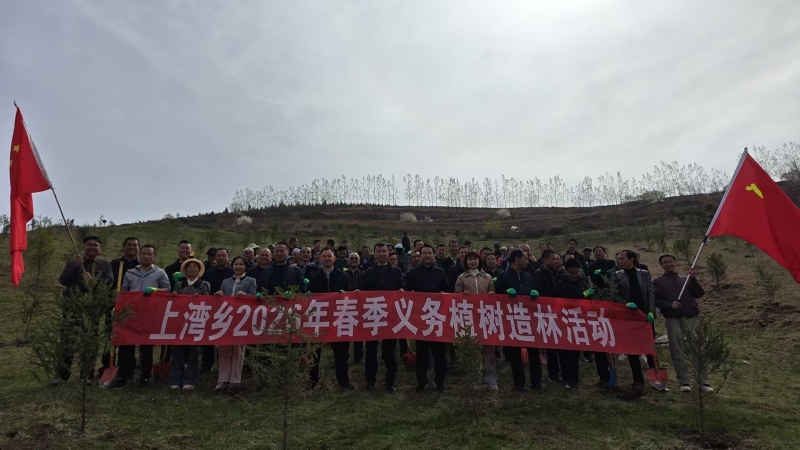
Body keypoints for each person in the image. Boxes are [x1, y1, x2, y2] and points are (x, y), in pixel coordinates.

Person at [56, 235, 114, 385]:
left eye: (96, 245)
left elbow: (109, 281)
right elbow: (63, 280)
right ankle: (61, 376)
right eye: (89, 245)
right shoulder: (73, 263)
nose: (92, 247)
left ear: (100, 248)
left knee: (89, 343)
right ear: (83, 247)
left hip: (92, 309)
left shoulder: (105, 265)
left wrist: (93, 280)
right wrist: (76, 267)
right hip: (72, 308)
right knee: (67, 342)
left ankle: (87, 375)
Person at [653, 253, 714, 393]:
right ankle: (684, 381)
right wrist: (669, 305)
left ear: (676, 263)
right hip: (672, 317)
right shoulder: (657, 282)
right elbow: (656, 300)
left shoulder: (685, 279)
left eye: (670, 261)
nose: (668, 264)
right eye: (665, 262)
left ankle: (704, 382)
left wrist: (693, 279)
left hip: (690, 316)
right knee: (677, 349)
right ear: (661, 266)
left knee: (696, 348)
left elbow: (698, 293)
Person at [118, 245, 171, 388]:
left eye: (150, 254)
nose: (146, 256)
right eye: (144, 254)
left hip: (150, 314)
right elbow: (123, 292)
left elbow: (167, 290)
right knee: (126, 343)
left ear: (154, 257)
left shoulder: (160, 273)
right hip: (131, 313)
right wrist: (118, 308)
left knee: (147, 345)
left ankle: (145, 376)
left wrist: (155, 290)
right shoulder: (130, 273)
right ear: (140, 255)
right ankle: (124, 375)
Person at [359, 243, 405, 392]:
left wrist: (402, 290)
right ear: (375, 253)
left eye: (384, 251)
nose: (382, 254)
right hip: (373, 316)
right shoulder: (368, 273)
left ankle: (390, 382)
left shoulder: (396, 271)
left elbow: (401, 287)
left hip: (391, 316)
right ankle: (370, 381)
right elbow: (362, 293)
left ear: (388, 253)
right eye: (379, 251)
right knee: (371, 351)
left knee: (390, 351)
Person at [494, 250, 542, 391]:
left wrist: (535, 294)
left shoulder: (528, 276)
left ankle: (536, 383)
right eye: (525, 258)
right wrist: (505, 292)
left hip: (528, 318)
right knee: (515, 354)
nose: (527, 261)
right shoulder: (503, 276)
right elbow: (496, 296)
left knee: (534, 352)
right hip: (512, 319)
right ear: (517, 258)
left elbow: (533, 290)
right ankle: (519, 383)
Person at [610, 249, 657, 394]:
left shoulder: (644, 273)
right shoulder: (617, 275)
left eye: (622, 258)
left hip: (644, 316)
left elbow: (651, 292)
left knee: (649, 347)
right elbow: (614, 294)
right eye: (619, 259)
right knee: (631, 349)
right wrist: (625, 304)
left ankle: (655, 377)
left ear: (632, 259)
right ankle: (638, 380)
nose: (620, 261)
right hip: (628, 316)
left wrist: (651, 311)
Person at [404, 245, 449, 393]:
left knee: (439, 353)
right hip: (420, 317)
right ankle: (421, 382)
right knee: (422, 353)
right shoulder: (412, 273)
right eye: (424, 253)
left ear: (434, 255)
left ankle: (439, 381)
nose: (427, 255)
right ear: (420, 256)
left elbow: (447, 290)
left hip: (437, 316)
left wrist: (443, 294)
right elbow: (406, 292)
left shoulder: (440, 272)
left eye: (430, 253)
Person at [307, 248, 351, 388]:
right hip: (319, 319)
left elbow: (349, 294)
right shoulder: (314, 277)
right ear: (320, 259)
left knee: (341, 353)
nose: (327, 258)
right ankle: (312, 381)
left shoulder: (343, 276)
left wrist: (345, 294)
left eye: (329, 256)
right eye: (324, 256)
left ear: (334, 258)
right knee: (315, 352)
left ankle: (343, 382)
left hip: (338, 318)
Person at [454, 251, 497, 390]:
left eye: (475, 259)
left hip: (486, 316)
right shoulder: (462, 277)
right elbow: (455, 296)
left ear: (479, 261)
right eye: (470, 259)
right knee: (473, 348)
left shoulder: (487, 277)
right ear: (466, 262)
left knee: (489, 348)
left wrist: (491, 295)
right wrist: (462, 295)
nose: (473, 262)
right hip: (469, 316)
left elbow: (494, 294)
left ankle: (491, 378)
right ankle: (475, 378)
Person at [214, 256, 257, 393]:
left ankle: (235, 380)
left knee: (239, 349)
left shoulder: (251, 280)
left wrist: (246, 295)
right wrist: (219, 294)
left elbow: (254, 297)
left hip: (241, 319)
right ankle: (222, 379)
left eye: (241, 264)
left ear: (245, 267)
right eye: (236, 264)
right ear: (232, 266)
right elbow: (220, 298)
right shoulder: (225, 281)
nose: (238, 266)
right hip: (226, 318)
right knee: (224, 349)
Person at [100, 236, 140, 384]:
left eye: (134, 245)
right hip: (113, 305)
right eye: (129, 245)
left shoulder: (140, 265)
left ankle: (126, 369)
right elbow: (108, 282)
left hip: (132, 308)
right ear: (124, 246)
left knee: (127, 339)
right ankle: (107, 366)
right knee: (110, 336)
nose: (131, 247)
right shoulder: (115, 264)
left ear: (138, 248)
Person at [554, 258, 597, 389]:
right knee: (565, 351)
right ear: (565, 270)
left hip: (579, 321)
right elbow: (569, 300)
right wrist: (585, 294)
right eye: (571, 272)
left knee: (575, 351)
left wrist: (590, 293)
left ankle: (573, 379)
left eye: (576, 272)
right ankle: (567, 377)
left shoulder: (581, 281)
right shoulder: (560, 283)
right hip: (564, 321)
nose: (574, 275)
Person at [169, 258, 210, 391]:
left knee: (194, 351)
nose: (192, 269)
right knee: (177, 350)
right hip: (180, 321)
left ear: (199, 270)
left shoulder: (204, 284)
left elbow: (209, 302)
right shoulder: (178, 285)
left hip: (196, 321)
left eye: (195, 267)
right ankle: (175, 379)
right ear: (185, 270)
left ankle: (190, 379)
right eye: (189, 267)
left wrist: (201, 299)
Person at [200, 248, 234, 373]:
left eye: (223, 255)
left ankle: (223, 364)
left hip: (228, 310)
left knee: (225, 337)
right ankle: (207, 363)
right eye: (218, 256)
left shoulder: (233, 272)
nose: (221, 258)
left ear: (228, 257)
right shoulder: (208, 273)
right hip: (210, 309)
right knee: (208, 337)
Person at [532, 249, 562, 383]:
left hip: (558, 311)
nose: (556, 261)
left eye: (557, 259)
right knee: (551, 345)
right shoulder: (538, 275)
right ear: (544, 260)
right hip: (546, 313)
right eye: (553, 259)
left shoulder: (557, 273)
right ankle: (553, 373)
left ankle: (559, 370)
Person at [343, 252, 364, 363]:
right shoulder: (342, 275)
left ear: (359, 261)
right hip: (346, 306)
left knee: (359, 332)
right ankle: (345, 355)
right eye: (351, 258)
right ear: (348, 261)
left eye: (356, 258)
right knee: (345, 331)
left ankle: (358, 356)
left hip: (360, 306)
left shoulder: (364, 274)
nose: (354, 260)